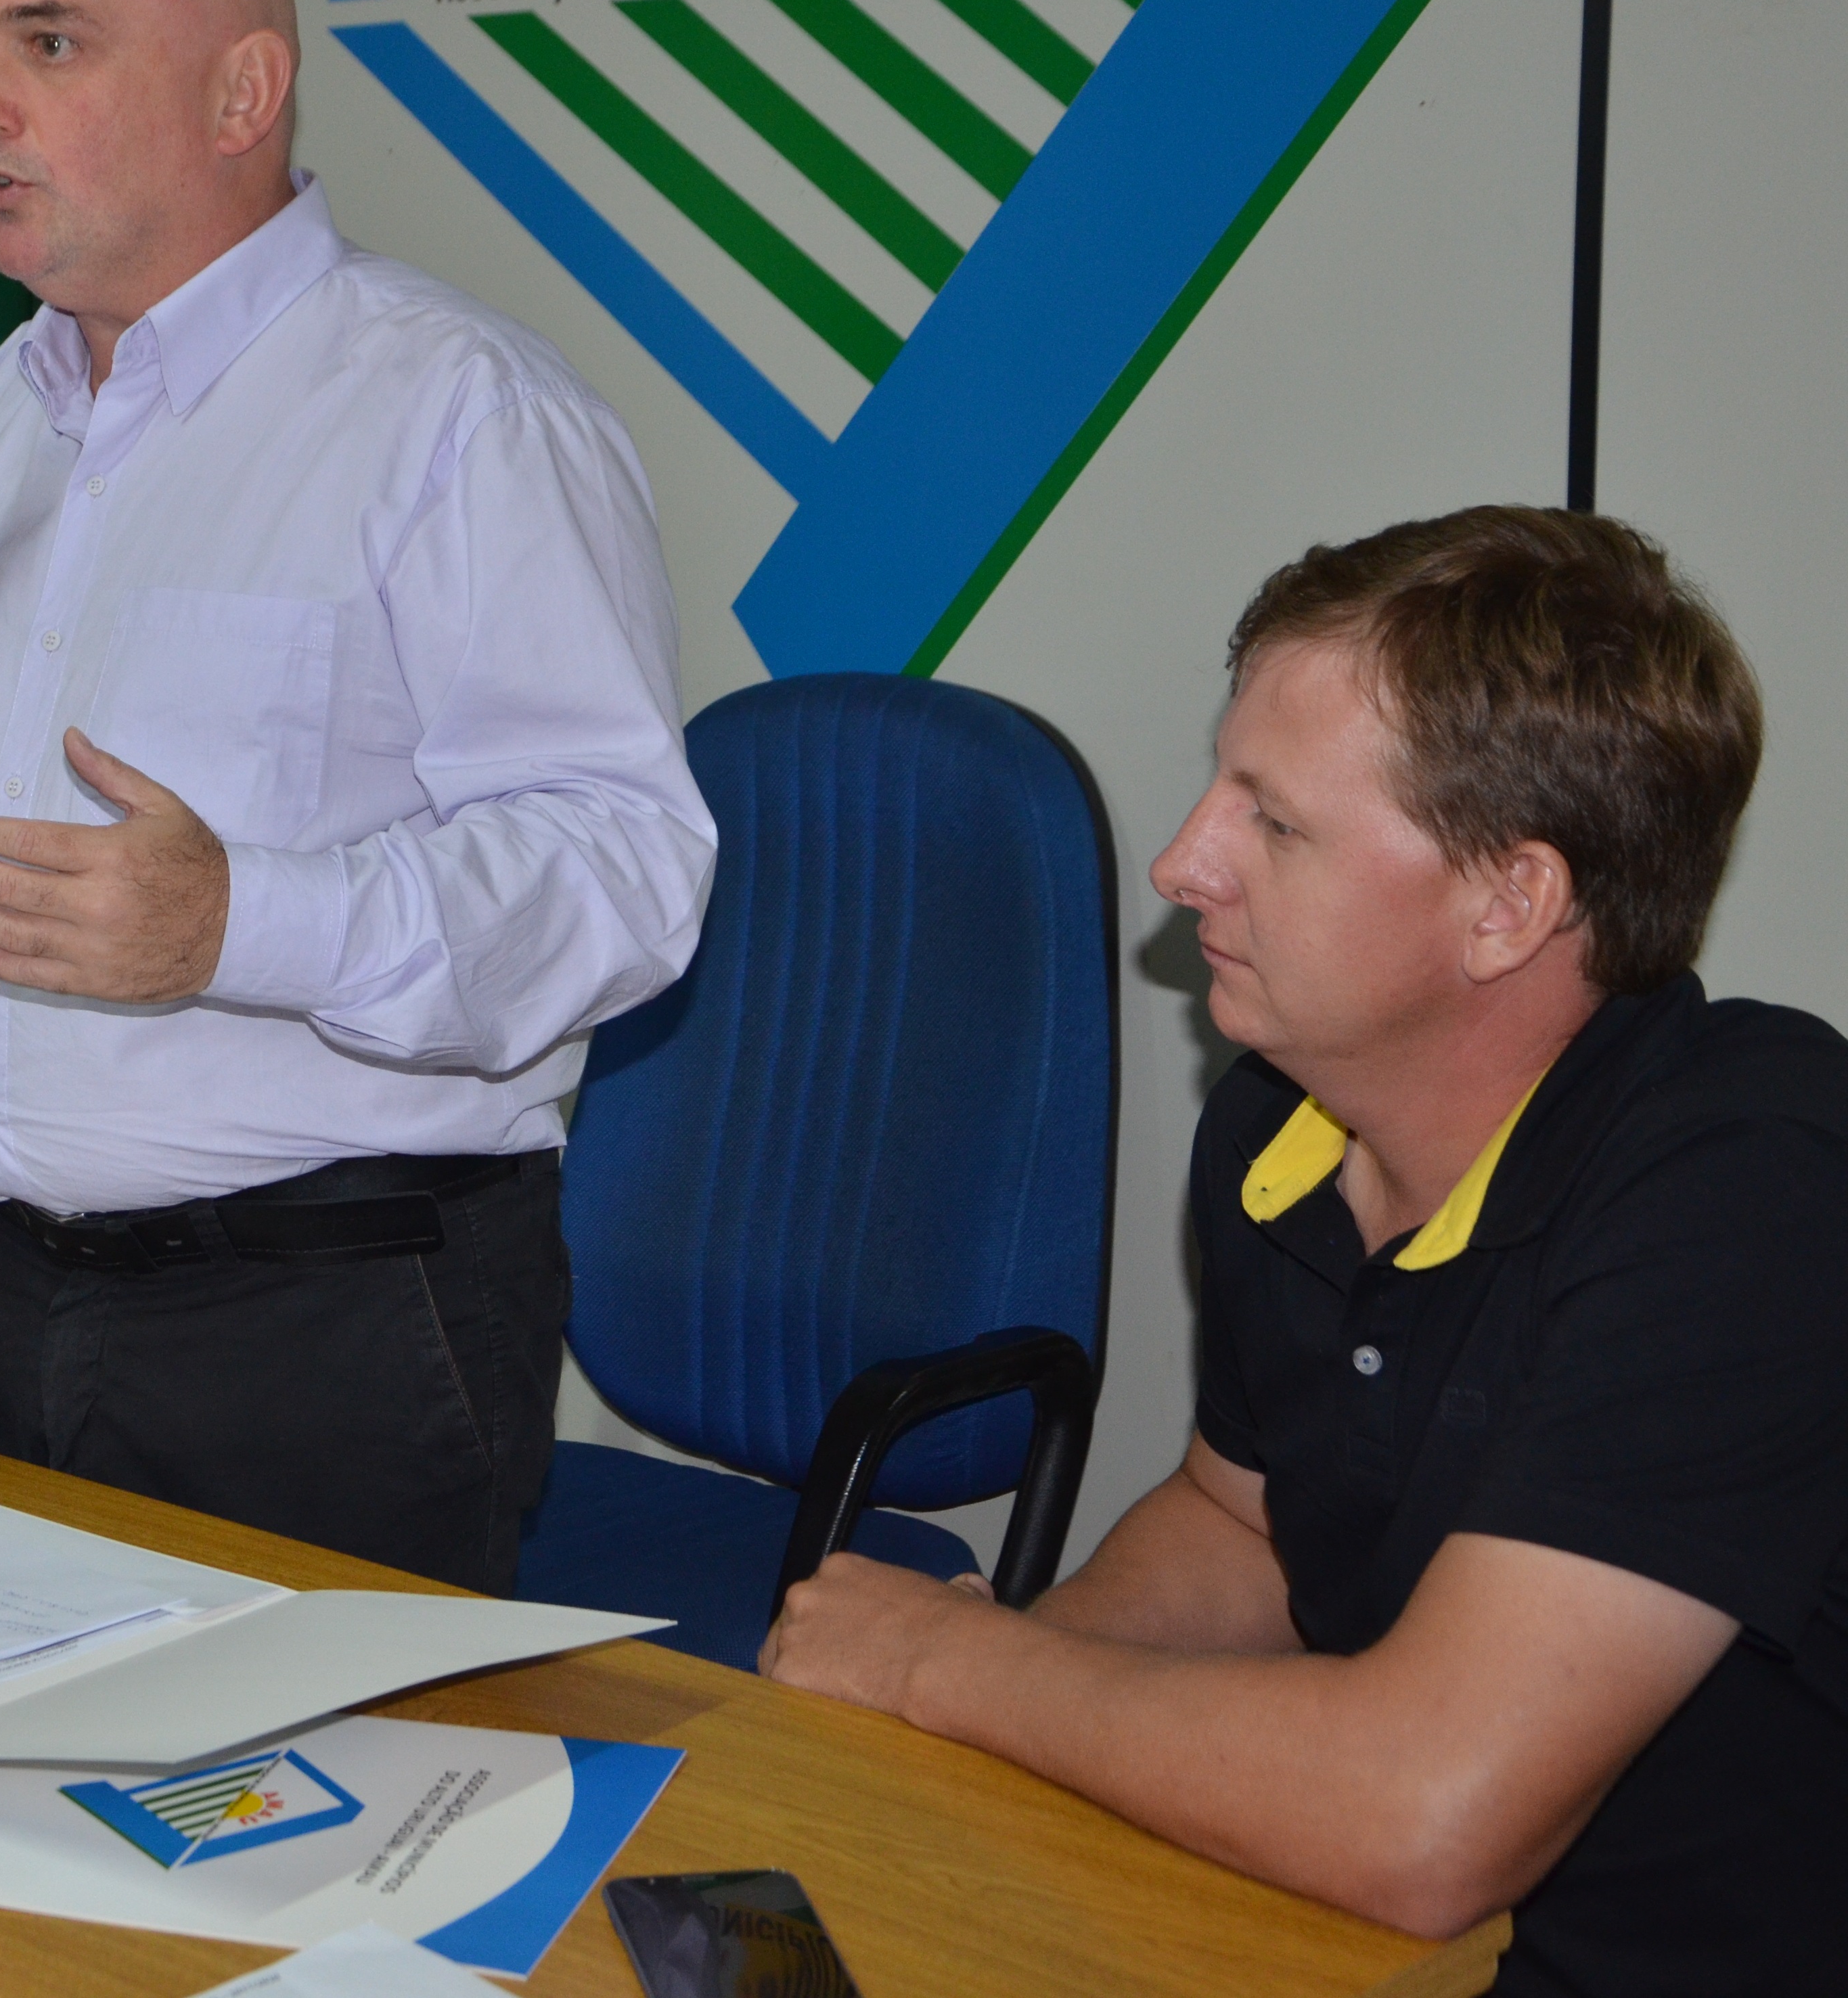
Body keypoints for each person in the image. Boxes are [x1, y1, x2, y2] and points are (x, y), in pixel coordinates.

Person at [0, 0, 713, 1594]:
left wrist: (241, 924)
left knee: (318, 1781)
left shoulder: (458, 413)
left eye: (49, 45)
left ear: (242, 92)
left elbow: (622, 872)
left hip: (317, 1327)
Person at [760, 507, 1847, 1994]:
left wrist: (950, 1663)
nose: (1180, 862)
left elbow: (1428, 1818)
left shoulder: (1753, 1180)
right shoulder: (1281, 1127)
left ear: (1509, 904)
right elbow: (1245, 1529)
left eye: (1273, 823)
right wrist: (982, 1720)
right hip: (1354, 1942)